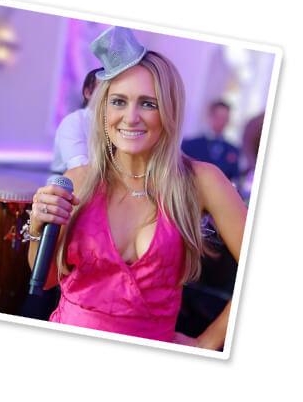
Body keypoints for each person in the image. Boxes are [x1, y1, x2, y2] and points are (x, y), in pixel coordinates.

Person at [27, 27, 245, 349]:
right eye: (118, 101)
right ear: (104, 111)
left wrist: (206, 343)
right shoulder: (79, 180)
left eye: (148, 104)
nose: (130, 118)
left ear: (169, 111)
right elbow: (45, 279)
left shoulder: (202, 181)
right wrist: (37, 226)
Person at [50, 68, 103, 174]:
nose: (109, 95)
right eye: (103, 89)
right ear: (88, 93)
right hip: (63, 181)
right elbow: (79, 168)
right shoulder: (74, 121)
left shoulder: (119, 123)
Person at [181, 100, 241, 181]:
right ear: (210, 117)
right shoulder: (189, 145)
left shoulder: (233, 150)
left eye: (225, 118)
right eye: (218, 117)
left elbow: (235, 178)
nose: (221, 122)